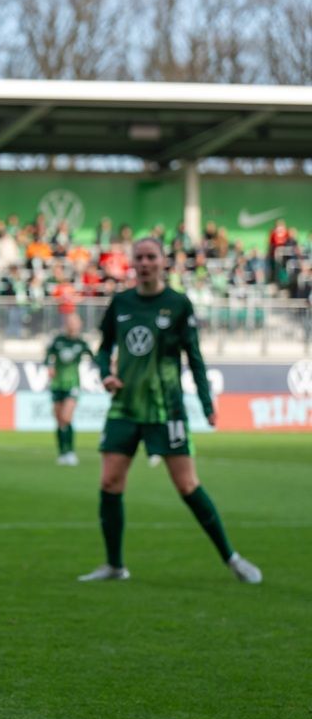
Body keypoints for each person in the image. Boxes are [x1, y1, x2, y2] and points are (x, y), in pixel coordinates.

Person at [78, 237, 261, 584]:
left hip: (167, 409)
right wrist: (105, 374)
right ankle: (114, 566)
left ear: (163, 261)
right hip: (125, 406)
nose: (145, 263)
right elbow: (103, 349)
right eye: (139, 257)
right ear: (132, 263)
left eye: (151, 256)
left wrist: (206, 404)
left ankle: (232, 558)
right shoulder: (121, 302)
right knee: (109, 481)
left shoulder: (178, 304)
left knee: (187, 484)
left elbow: (195, 357)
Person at [45, 312, 94, 466]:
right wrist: (50, 366)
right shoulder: (58, 340)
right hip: (57, 384)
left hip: (72, 384)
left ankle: (71, 452)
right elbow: (48, 356)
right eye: (70, 322)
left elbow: (95, 357)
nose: (72, 325)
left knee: (66, 417)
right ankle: (62, 452)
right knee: (59, 420)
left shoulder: (81, 343)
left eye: (75, 322)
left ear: (79, 324)